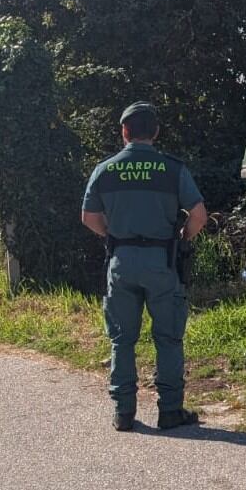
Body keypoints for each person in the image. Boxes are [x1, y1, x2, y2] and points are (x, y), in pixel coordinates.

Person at [80, 102, 207, 432]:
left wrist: (114, 236)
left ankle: (124, 412)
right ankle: (170, 411)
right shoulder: (172, 169)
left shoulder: (105, 170)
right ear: (156, 131)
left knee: (122, 339)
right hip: (162, 261)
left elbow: (89, 217)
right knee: (168, 337)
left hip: (121, 262)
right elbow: (198, 215)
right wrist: (182, 237)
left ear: (124, 132)